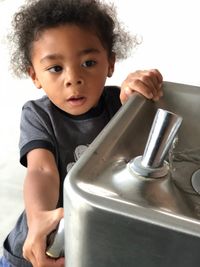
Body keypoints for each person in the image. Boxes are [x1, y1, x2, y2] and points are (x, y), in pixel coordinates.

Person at [1, 0, 163, 266]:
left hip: (94, 243)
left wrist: (141, 90)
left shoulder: (121, 105)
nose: (73, 78)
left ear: (110, 63)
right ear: (34, 76)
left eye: (89, 62)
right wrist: (39, 216)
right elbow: (41, 171)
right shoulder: (38, 115)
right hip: (40, 245)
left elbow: (151, 142)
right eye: (55, 68)